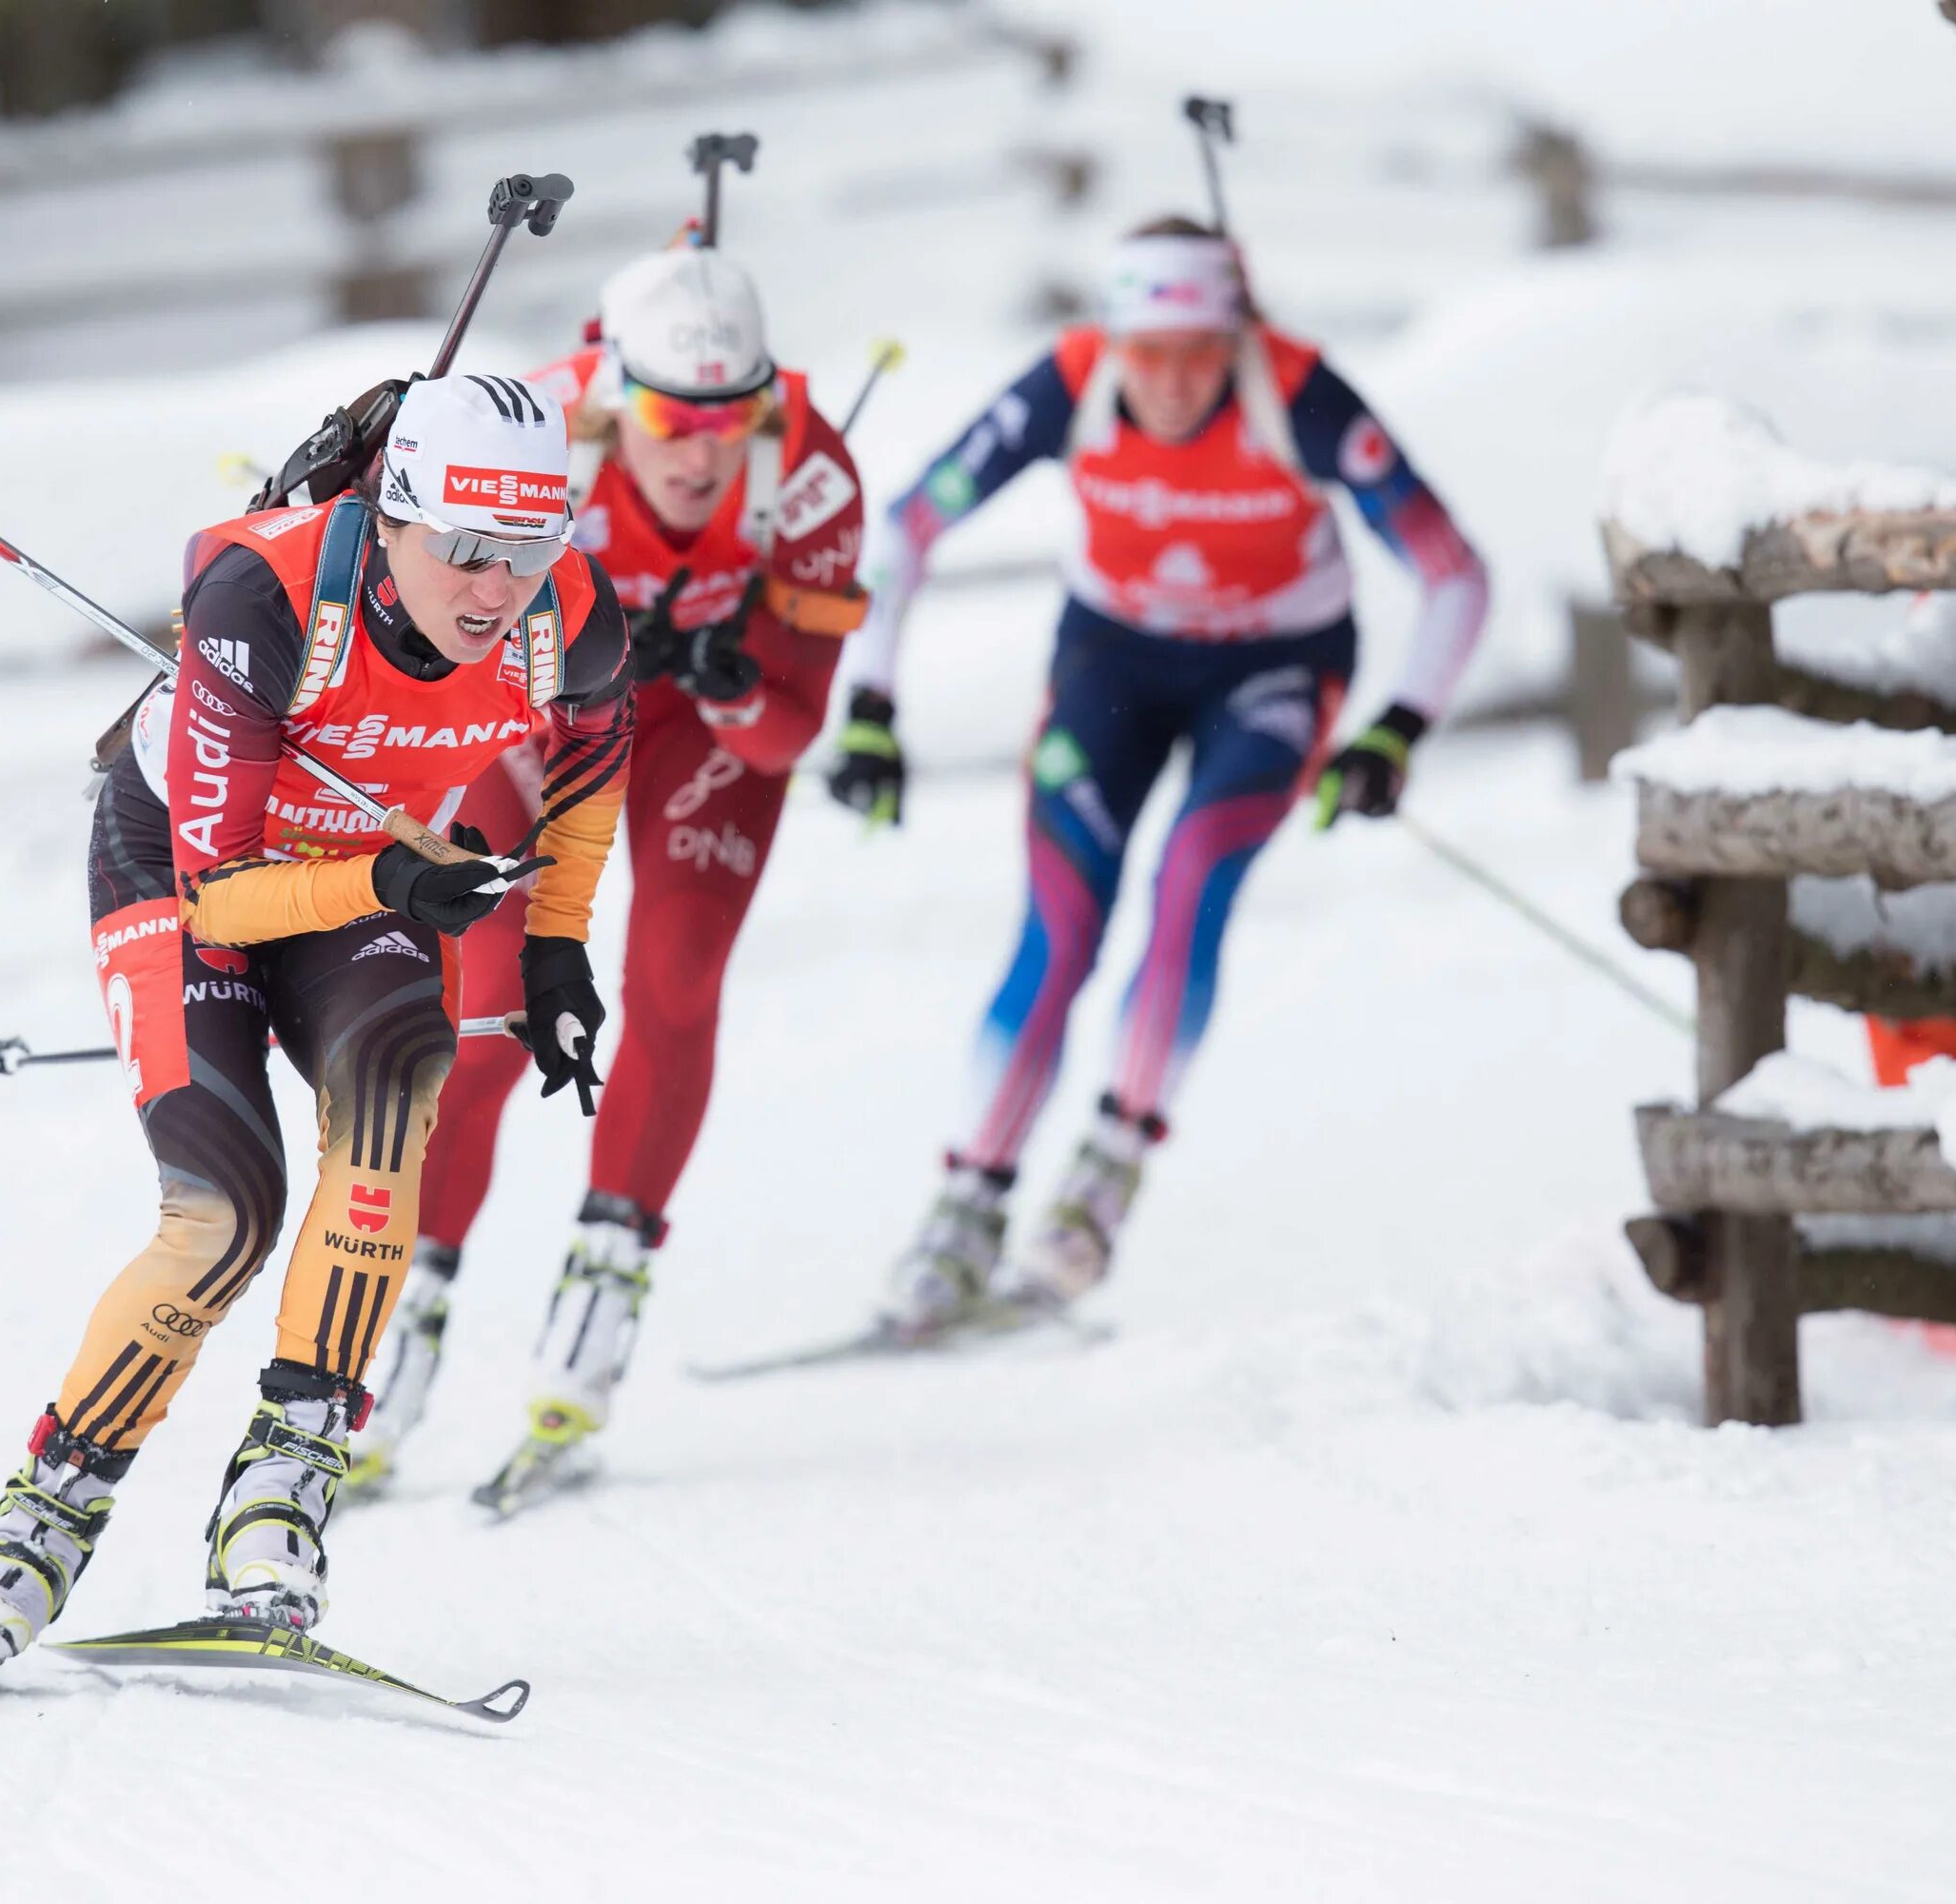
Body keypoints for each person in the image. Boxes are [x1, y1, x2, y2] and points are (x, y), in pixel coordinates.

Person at [0, 372, 633, 1688]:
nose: (497, 588)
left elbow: (591, 771)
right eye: (465, 547)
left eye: (528, 547)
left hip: (367, 873)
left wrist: (557, 944)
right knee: (225, 1213)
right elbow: (222, 896)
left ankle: (283, 1490)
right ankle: (46, 1512)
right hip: (189, 870)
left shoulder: (570, 616)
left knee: (398, 1088)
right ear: (394, 512)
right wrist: (394, 881)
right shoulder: (267, 602)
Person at [828, 217, 1490, 1338]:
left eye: (1199, 353)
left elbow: (1456, 575)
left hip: (1276, 667)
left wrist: (1397, 729)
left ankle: (1101, 1180)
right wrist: (871, 709)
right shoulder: (1071, 381)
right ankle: (965, 1208)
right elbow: (906, 526)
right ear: (1112, 340)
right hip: (1115, 660)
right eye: (1147, 353)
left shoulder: (1300, 395)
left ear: (1239, 337)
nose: (1173, 381)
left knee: (1192, 875)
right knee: (1060, 928)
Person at [346, 244, 868, 1493]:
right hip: (534, 725)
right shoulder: (529, 445)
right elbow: (420, 635)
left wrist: (732, 679)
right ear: (610, 393)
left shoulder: (807, 473)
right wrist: (564, 660)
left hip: (698, 733)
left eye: (731, 418)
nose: (701, 452)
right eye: (672, 419)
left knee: (675, 980)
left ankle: (597, 1304)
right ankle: (395, 1331)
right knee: (488, 1022)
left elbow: (790, 730)